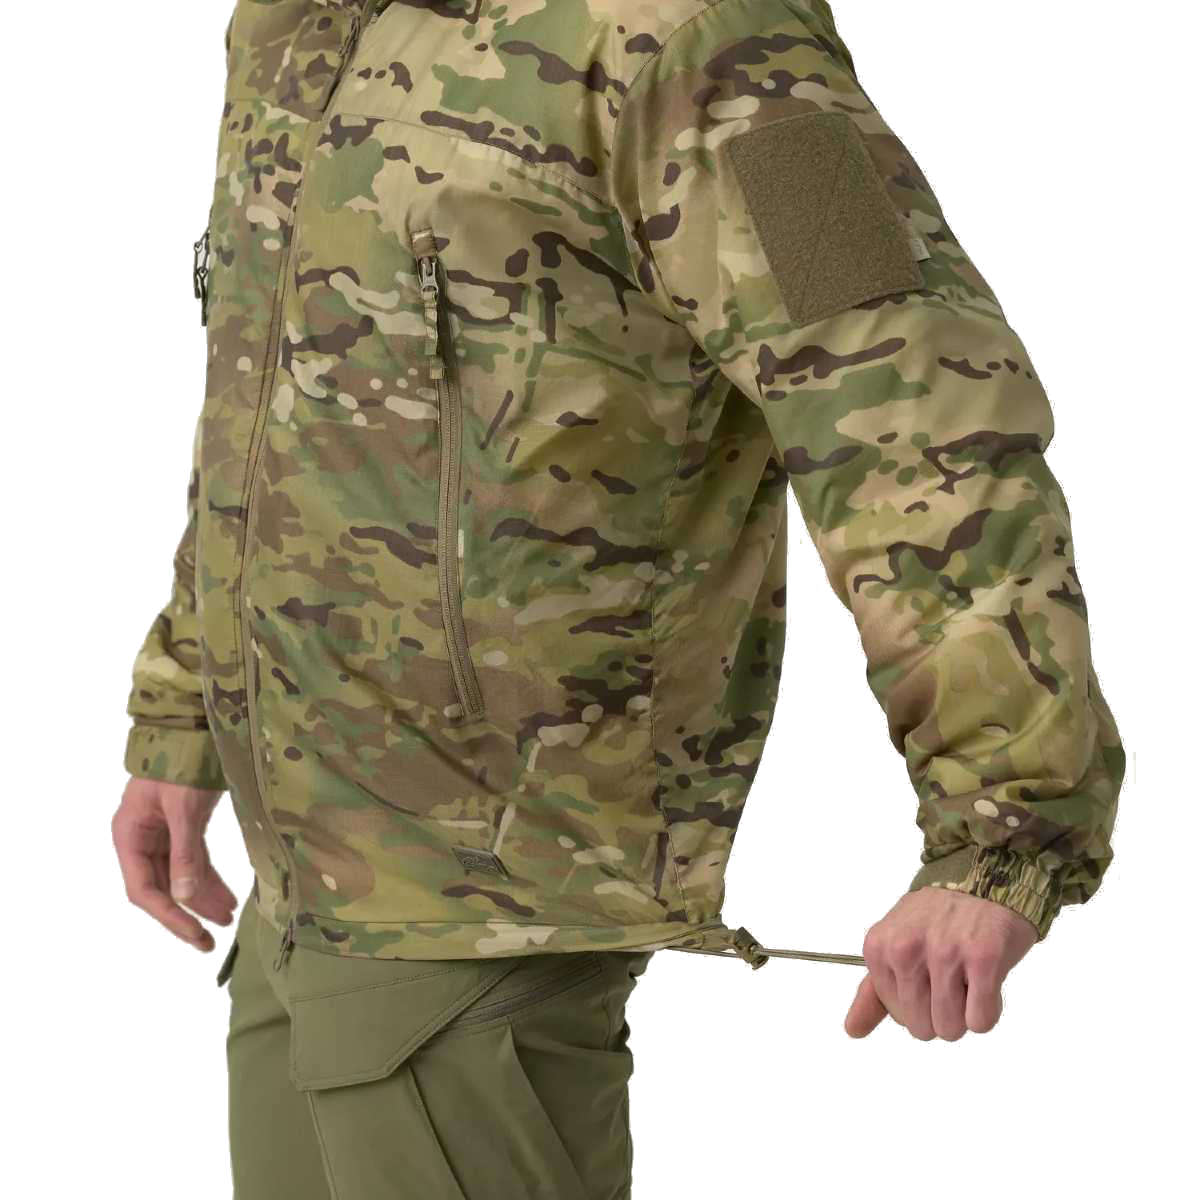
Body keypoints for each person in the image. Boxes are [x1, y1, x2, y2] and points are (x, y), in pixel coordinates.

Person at [112, 1, 1124, 1196]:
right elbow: (267, 403)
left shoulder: (702, 36)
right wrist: (186, 713)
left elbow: (909, 406)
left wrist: (1001, 830)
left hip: (496, 885)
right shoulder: (299, 23)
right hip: (298, 888)